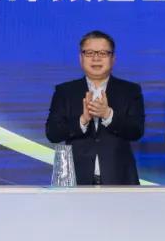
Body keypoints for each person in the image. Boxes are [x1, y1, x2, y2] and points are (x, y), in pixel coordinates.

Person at [46, 30, 145, 185]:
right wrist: (82, 120)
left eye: (103, 53)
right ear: (80, 58)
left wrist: (108, 115)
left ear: (113, 58)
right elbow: (52, 133)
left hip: (119, 180)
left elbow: (136, 131)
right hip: (76, 180)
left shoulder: (130, 91)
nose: (96, 58)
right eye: (89, 53)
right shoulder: (65, 91)